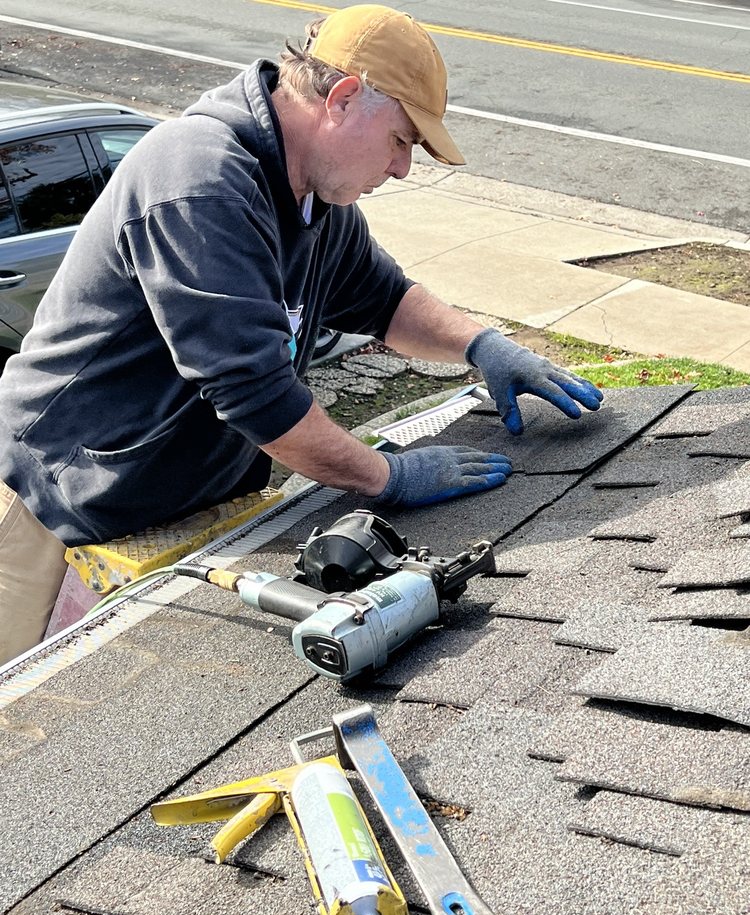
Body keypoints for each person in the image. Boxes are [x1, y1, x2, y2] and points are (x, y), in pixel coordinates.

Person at [0, 4, 602, 661]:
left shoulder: (317, 200)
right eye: (401, 141)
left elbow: (385, 299)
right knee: (27, 716)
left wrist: (480, 345)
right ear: (343, 100)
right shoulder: (203, 182)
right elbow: (253, 394)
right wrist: (386, 476)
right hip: (49, 510)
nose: (403, 168)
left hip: (178, 507)